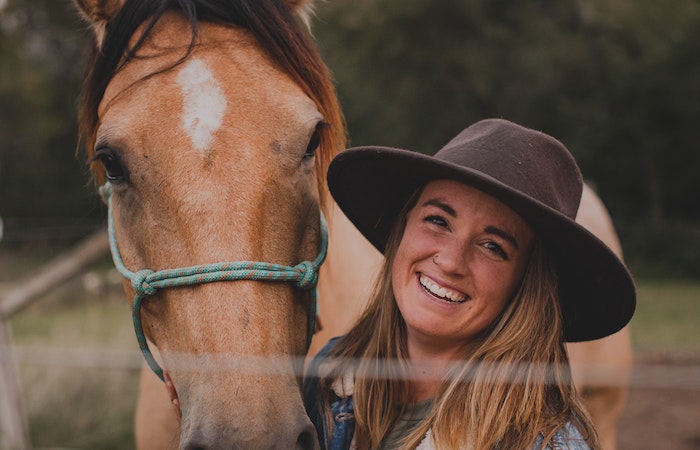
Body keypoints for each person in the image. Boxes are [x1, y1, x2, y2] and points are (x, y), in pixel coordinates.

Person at [303, 118, 636, 450]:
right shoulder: (331, 377)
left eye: (493, 246)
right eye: (437, 220)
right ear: (402, 224)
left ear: (526, 285)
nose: (450, 261)